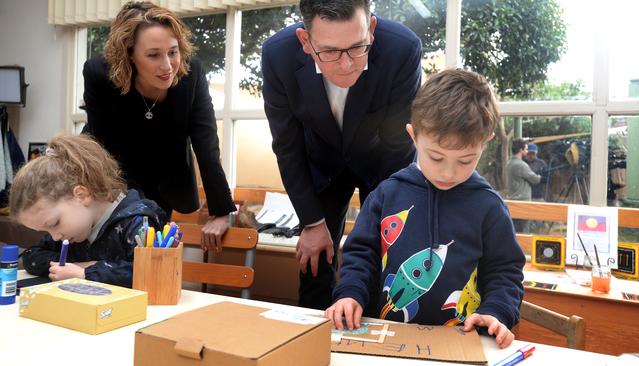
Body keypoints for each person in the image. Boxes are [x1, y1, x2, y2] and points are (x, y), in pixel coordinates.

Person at [325, 69, 525, 349]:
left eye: (466, 160)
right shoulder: (387, 194)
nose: (449, 172)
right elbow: (361, 254)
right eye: (436, 157)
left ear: (485, 142)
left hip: (461, 343)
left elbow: (505, 272)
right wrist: (350, 294)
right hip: (384, 339)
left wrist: (495, 312)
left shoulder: (488, 207)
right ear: (413, 136)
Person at [262, 0, 422, 310]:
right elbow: (287, 145)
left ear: (371, 30)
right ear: (305, 42)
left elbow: (398, 147)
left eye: (357, 48)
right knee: (314, 262)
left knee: (378, 262)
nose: (347, 64)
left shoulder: (402, 49)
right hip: (321, 165)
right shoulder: (277, 56)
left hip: (380, 165)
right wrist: (311, 222)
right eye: (331, 52)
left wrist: (373, 233)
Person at [82, 1, 235, 251]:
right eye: (153, 55)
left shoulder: (191, 73)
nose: (167, 66)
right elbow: (101, 147)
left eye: (173, 52)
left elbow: (206, 144)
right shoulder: (99, 73)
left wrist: (220, 211)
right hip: (116, 177)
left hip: (167, 180)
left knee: (153, 260)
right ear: (129, 54)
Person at [10, 134, 167, 288]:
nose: (55, 237)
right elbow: (31, 256)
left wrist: (86, 273)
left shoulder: (137, 222)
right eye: (46, 230)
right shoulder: (69, 231)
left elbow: (150, 272)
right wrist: (75, 266)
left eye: (54, 223)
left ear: (81, 195)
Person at [506, 138, 540, 233]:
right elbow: (535, 179)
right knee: (524, 231)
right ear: (521, 150)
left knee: (514, 232)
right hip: (522, 203)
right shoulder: (521, 165)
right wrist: (540, 176)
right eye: (526, 149)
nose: (527, 151)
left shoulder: (509, 163)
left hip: (511, 202)